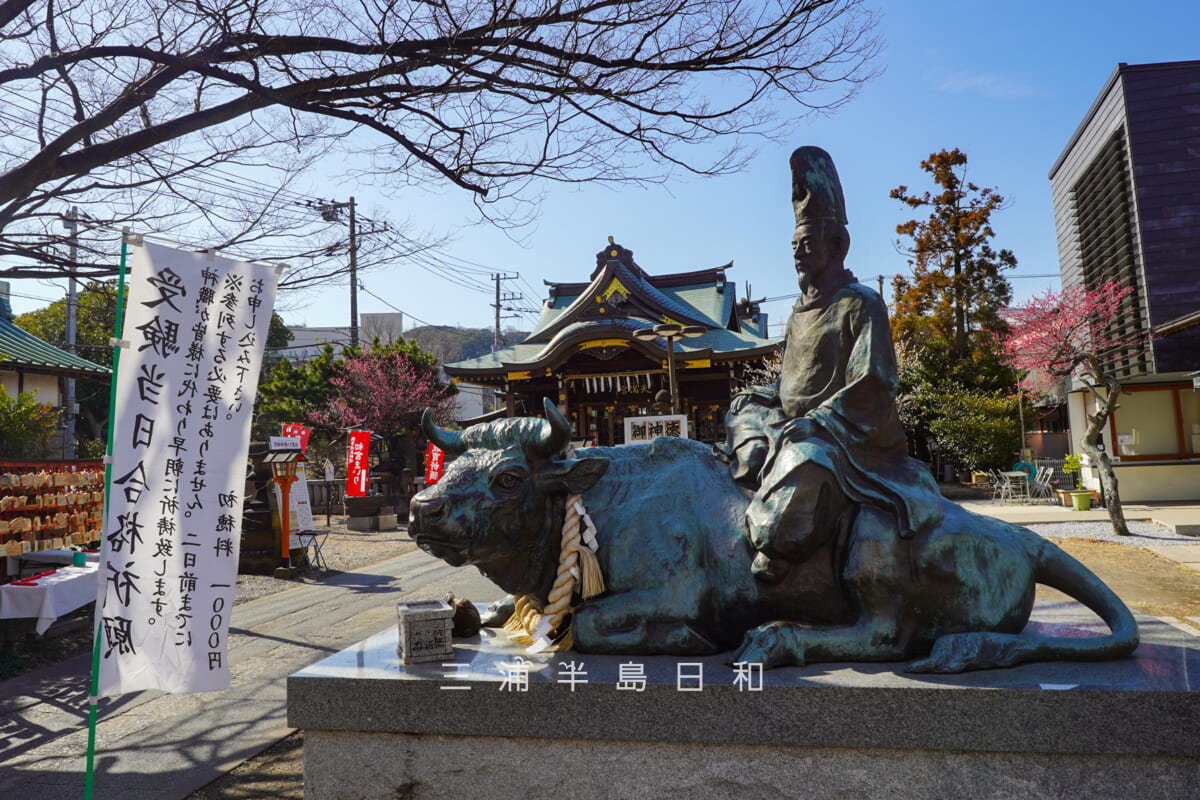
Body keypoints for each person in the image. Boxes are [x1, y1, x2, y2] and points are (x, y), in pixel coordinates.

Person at [718, 146, 942, 583]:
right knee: (743, 411)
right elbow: (790, 382)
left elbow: (873, 382)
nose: (798, 255)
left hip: (844, 434)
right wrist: (764, 399)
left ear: (837, 245)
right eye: (794, 247)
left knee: (804, 460)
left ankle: (775, 544)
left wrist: (819, 421)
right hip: (794, 421)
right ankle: (762, 468)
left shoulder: (861, 303)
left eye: (806, 245)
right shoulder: (799, 313)